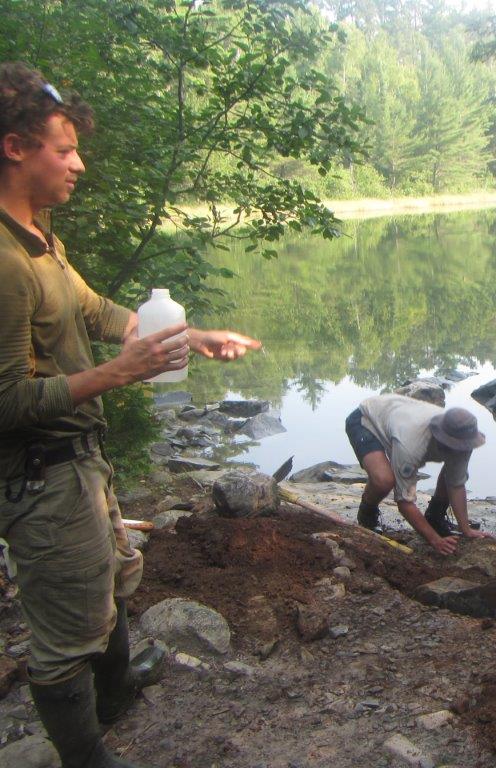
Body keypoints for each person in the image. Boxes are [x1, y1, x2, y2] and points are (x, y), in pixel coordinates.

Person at [0, 62, 261, 768]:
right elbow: (6, 405)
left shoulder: (38, 236)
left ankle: (114, 697)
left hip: (79, 463)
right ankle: (88, 757)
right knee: (64, 637)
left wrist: (190, 336)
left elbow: (96, 310)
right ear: (15, 148)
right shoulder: (3, 262)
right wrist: (116, 376)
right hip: (39, 476)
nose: (79, 163)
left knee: (115, 576)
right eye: (64, 149)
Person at [346, 393, 492, 555]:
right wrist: (434, 540)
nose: (461, 449)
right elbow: (404, 502)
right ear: (441, 439)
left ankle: (435, 517)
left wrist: (466, 529)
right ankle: (367, 513)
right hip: (367, 419)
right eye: (455, 446)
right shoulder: (410, 444)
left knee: (454, 470)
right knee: (384, 480)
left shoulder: (465, 439)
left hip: (397, 412)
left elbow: (456, 484)